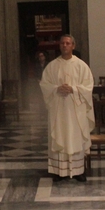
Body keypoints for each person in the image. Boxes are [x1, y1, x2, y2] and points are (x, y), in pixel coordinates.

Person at [40, 34, 95, 182]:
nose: (65, 45)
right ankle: (59, 172)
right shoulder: (52, 66)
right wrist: (57, 88)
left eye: (68, 43)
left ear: (73, 46)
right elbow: (44, 85)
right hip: (59, 109)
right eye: (62, 43)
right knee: (60, 135)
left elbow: (88, 87)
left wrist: (73, 90)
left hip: (76, 110)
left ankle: (78, 171)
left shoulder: (81, 66)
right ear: (59, 46)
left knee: (75, 137)